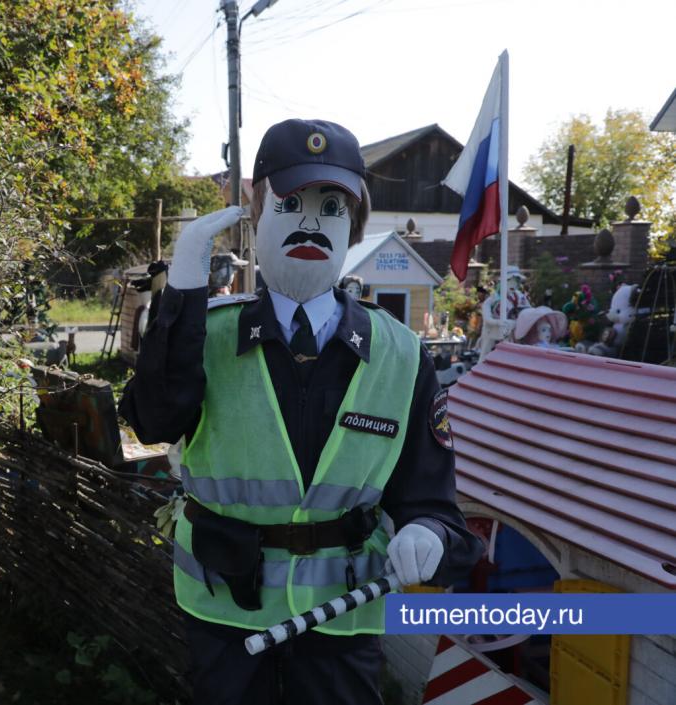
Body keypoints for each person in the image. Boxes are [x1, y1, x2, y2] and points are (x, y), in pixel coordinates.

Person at [119, 118, 482, 705]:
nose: (311, 222)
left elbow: (430, 496)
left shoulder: (401, 354)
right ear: (256, 212)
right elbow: (154, 421)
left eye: (333, 207)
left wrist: (429, 532)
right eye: (291, 202)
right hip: (226, 606)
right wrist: (182, 290)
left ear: (354, 229)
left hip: (344, 616)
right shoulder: (206, 334)